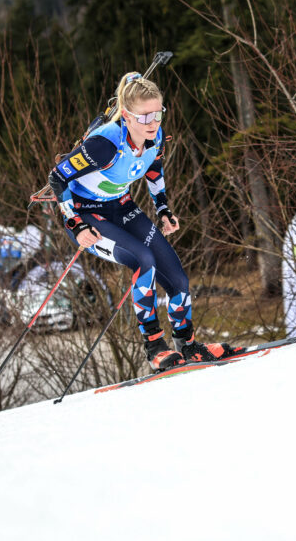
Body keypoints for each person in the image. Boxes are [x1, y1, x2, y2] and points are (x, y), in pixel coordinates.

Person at [48, 73, 240, 371]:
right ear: (126, 115)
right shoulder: (104, 145)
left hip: (121, 207)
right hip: (86, 214)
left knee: (178, 279)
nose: (153, 123)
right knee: (143, 259)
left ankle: (188, 345)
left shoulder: (156, 136)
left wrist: (163, 209)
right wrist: (75, 224)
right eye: (145, 116)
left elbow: (153, 168)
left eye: (158, 113)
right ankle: (155, 347)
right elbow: (57, 176)